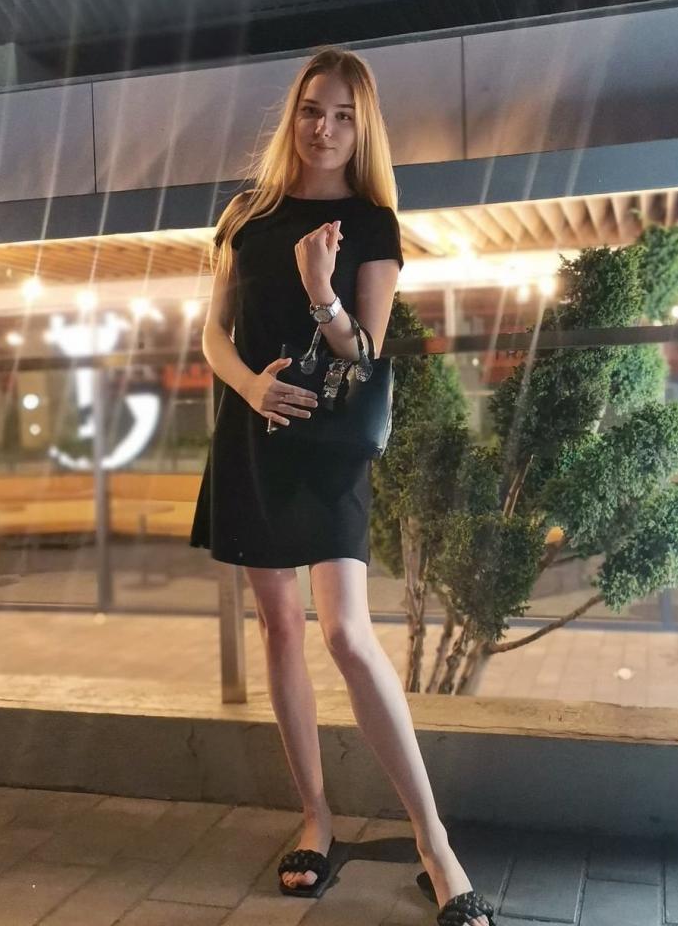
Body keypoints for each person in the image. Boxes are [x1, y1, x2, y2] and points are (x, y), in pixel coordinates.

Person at [190, 46, 494, 926]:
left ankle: (434, 845)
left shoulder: (370, 223)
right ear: (293, 113)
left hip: (326, 449)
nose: (323, 129)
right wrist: (250, 389)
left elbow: (362, 354)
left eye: (343, 116)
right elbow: (212, 333)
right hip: (253, 435)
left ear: (363, 130)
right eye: (312, 110)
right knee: (279, 628)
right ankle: (315, 818)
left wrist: (319, 290)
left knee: (347, 635)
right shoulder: (245, 213)